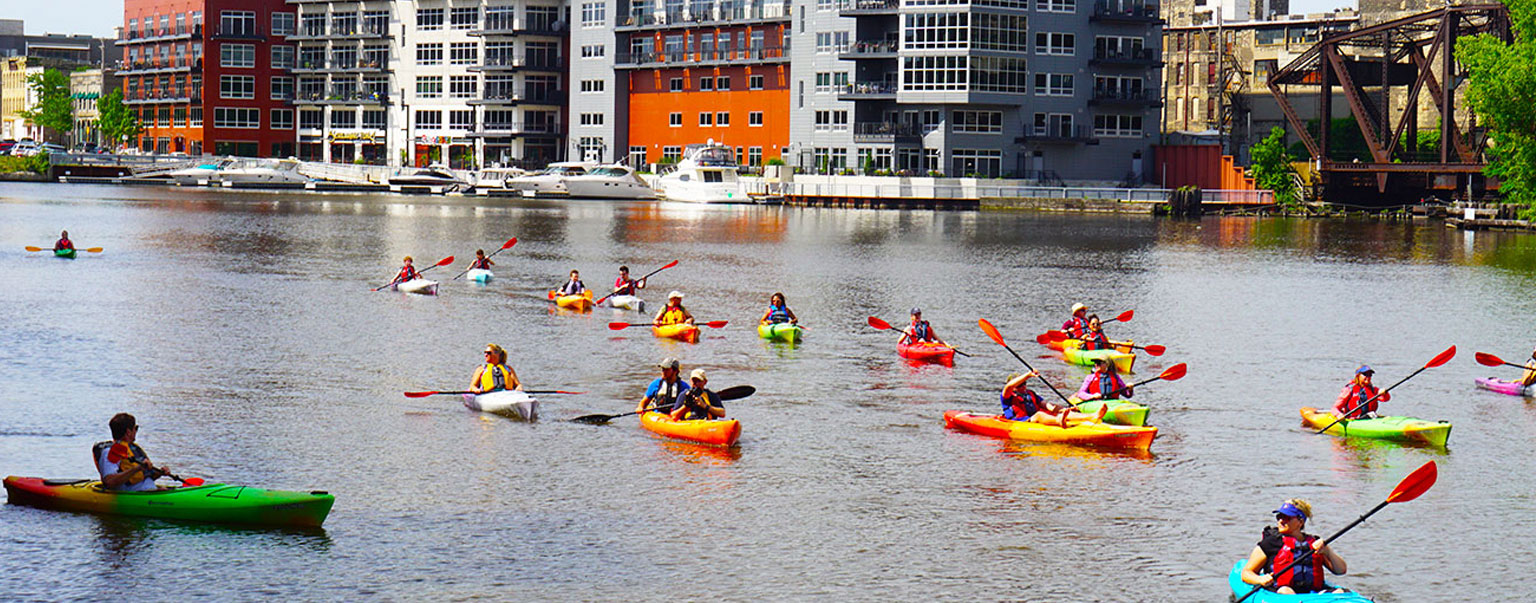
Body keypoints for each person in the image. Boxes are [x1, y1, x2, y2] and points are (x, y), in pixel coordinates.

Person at [1240, 499, 1348, 595]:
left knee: (1340, 592)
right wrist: (1260, 579)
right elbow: (1246, 573)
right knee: (1286, 591)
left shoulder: (1314, 544)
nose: (1281, 521)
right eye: (1279, 517)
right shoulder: (1271, 543)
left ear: (1300, 521)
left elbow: (1340, 570)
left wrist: (1327, 550)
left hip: (1313, 594)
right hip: (1282, 592)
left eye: (1286, 518)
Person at [1002, 371, 1105, 427]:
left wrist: (1063, 410)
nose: (1023, 387)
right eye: (1020, 385)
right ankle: (1058, 421)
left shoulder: (1030, 393)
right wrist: (1028, 375)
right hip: (1019, 422)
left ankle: (1092, 416)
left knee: (1065, 412)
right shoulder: (1007, 395)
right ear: (1014, 387)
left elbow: (1047, 405)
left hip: (1034, 420)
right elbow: (1009, 387)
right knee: (1039, 415)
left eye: (1024, 384)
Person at [96, 413, 167, 491]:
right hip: (132, 495)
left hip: (148, 491)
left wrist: (160, 473)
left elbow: (145, 477)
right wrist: (137, 469)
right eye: (135, 428)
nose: (136, 431)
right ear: (128, 432)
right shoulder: (110, 452)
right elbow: (109, 481)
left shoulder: (134, 449)